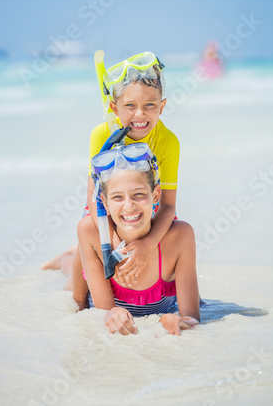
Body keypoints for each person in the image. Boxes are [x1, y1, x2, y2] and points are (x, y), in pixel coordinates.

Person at [43, 52, 181, 309]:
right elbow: (93, 198)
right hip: (105, 208)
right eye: (130, 106)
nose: (140, 114)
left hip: (144, 208)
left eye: (150, 105)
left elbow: (168, 206)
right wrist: (112, 242)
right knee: (77, 287)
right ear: (114, 108)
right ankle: (67, 260)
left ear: (162, 106)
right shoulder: (102, 133)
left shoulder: (168, 142)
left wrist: (148, 244)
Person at [49, 143, 200, 336]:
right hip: (91, 257)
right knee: (71, 274)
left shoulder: (181, 235)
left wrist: (176, 319)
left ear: (155, 194)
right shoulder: (89, 230)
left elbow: (193, 317)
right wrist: (113, 313)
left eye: (138, 194)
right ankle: (64, 257)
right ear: (104, 202)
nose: (129, 206)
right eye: (117, 197)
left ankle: (71, 253)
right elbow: (104, 313)